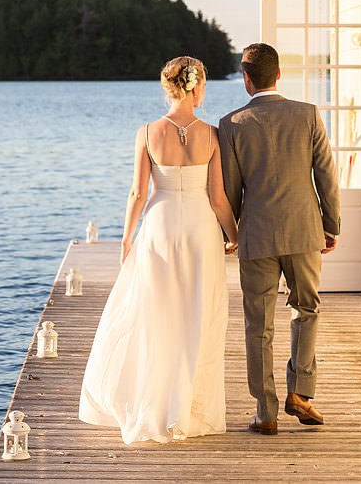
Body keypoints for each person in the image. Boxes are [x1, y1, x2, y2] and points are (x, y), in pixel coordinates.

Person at [78, 56, 238, 444]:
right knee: (198, 316)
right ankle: (187, 410)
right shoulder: (212, 134)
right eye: (204, 86)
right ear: (195, 86)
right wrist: (234, 235)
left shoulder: (147, 132)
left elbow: (137, 193)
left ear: (169, 87)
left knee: (159, 316)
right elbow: (218, 198)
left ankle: (159, 406)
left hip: (161, 226)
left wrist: (126, 237)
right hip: (200, 227)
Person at [218, 43, 339, 436]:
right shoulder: (307, 114)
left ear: (246, 79)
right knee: (307, 310)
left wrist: (231, 233)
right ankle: (301, 393)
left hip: (256, 233)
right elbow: (326, 175)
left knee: (259, 324)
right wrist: (331, 224)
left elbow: (230, 189)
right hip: (305, 230)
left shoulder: (231, 123)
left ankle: (265, 411)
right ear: (279, 74)